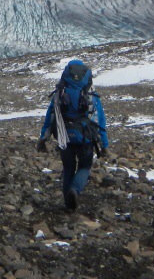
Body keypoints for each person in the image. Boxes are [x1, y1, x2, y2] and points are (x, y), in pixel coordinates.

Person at [36, 58, 108, 210]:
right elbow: (100, 121)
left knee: (68, 168)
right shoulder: (91, 95)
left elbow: (50, 118)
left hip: (64, 136)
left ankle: (68, 206)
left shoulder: (60, 93)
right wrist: (104, 145)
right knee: (85, 166)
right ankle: (74, 190)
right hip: (85, 138)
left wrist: (43, 138)